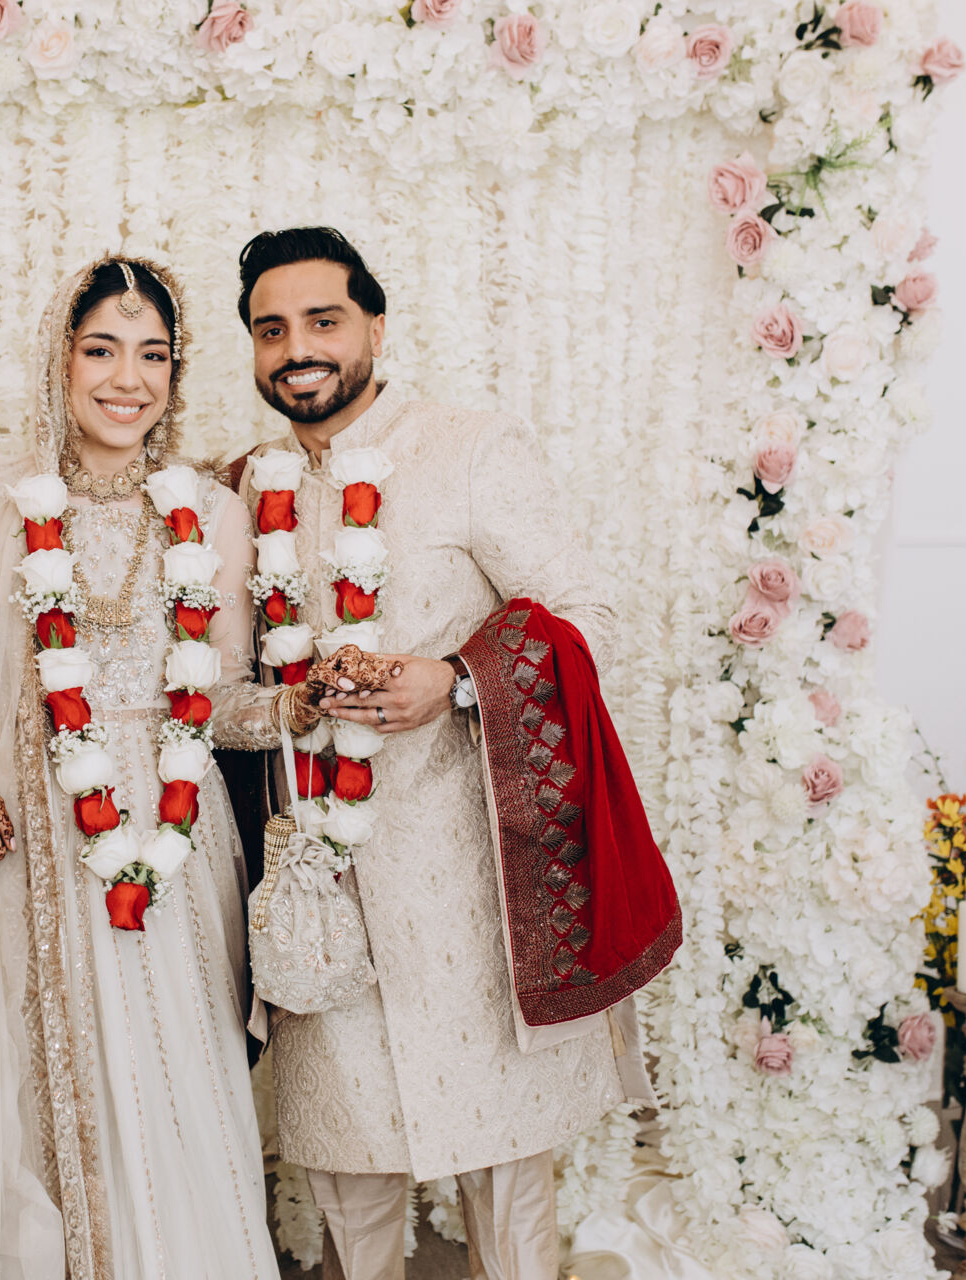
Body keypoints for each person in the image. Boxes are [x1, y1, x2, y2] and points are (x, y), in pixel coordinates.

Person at [0, 257, 340, 1280]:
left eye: (153, 355)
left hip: (171, 859)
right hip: (17, 845)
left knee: (169, 1082)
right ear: (61, 359)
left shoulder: (212, 515)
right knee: (6, 1087)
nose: (127, 379)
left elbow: (219, 700)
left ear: (177, 372)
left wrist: (293, 707)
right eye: (102, 350)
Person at [229, 227, 683, 1280]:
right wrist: (292, 702)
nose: (298, 349)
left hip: (475, 903)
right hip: (322, 902)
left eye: (324, 320)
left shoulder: (470, 448)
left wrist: (455, 678)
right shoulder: (240, 490)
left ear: (376, 327)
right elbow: (217, 694)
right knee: (349, 1195)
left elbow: (589, 615)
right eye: (271, 329)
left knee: (507, 1196)